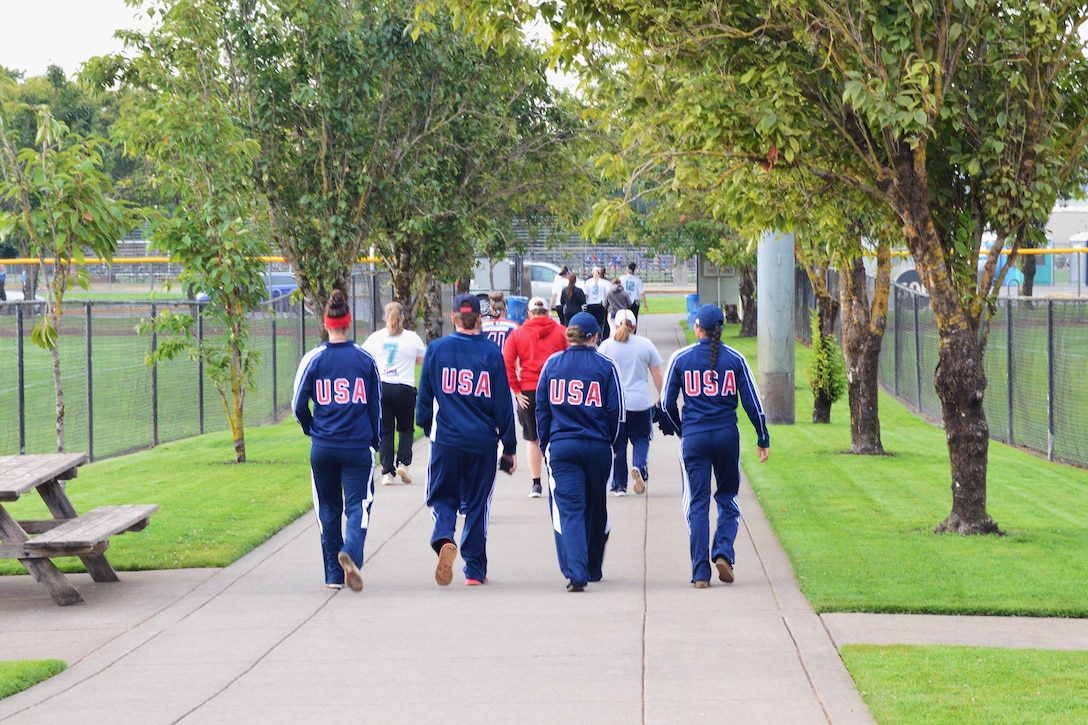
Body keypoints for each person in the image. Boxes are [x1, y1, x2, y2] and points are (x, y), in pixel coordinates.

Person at [658, 304, 769, 589]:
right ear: (721, 328)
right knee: (728, 496)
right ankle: (722, 551)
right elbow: (752, 402)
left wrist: (681, 430)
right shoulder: (735, 359)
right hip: (726, 436)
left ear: (698, 328)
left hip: (695, 437)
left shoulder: (681, 358)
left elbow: (666, 405)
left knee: (697, 502)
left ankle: (700, 573)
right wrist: (762, 437)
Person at [415, 293, 517, 587]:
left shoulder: (437, 349)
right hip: (482, 442)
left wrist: (425, 425)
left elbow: (425, 397)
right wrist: (508, 447)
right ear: (480, 319)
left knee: (443, 496)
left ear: (453, 318)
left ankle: (444, 536)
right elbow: (502, 404)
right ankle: (474, 569)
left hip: (446, 438)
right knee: (477, 504)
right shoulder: (490, 353)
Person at [292, 289, 382, 592]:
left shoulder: (313, 359)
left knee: (328, 509)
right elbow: (375, 406)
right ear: (349, 322)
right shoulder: (365, 360)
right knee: (359, 505)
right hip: (356, 446)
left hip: (324, 446)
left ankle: (333, 573)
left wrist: (311, 427)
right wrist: (376, 440)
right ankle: (351, 551)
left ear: (326, 324)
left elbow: (297, 404)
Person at [536, 312, 623, 592]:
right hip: (597, 445)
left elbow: (542, 409)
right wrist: (612, 442)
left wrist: (546, 442)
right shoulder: (606, 366)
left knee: (570, 510)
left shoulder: (552, 364)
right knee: (596, 506)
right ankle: (593, 566)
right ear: (595, 336)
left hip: (562, 445)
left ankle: (577, 571)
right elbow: (616, 412)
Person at [503, 296, 568, 498]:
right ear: (547, 313)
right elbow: (569, 358)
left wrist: (517, 390)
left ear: (529, 313)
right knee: (557, 436)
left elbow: (506, 363)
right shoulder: (561, 332)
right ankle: (557, 478)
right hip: (554, 389)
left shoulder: (518, 334)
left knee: (532, 439)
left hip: (529, 390)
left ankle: (536, 483)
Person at [598, 308, 664, 496]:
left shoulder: (606, 347)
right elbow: (656, 373)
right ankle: (639, 467)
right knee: (641, 439)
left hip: (615, 405)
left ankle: (620, 485)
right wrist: (662, 395)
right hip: (640, 402)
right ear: (634, 326)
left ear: (616, 325)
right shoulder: (645, 345)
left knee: (618, 445)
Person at [362, 301, 426, 486]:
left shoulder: (376, 338)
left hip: (382, 388)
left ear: (385, 317)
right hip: (404, 388)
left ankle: (387, 473)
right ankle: (403, 463)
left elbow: (364, 359)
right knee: (406, 428)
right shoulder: (412, 338)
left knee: (386, 431)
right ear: (403, 317)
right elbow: (423, 360)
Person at [583, 266, 609, 337]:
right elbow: (607, 294)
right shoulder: (604, 282)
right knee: (601, 323)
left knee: (591, 321)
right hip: (600, 304)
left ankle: (591, 335)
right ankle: (599, 337)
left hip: (590, 304)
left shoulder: (588, 282)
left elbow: (586, 294)